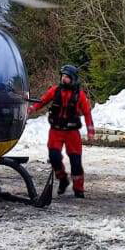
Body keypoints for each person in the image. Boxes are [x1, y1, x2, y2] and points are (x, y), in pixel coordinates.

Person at [28, 65, 94, 198]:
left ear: (73, 79)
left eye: (67, 77)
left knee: (76, 161)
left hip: (72, 133)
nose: (64, 79)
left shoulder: (79, 95)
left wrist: (90, 130)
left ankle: (79, 189)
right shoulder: (55, 90)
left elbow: (87, 113)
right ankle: (63, 179)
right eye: (63, 76)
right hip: (56, 131)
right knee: (54, 157)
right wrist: (32, 108)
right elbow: (42, 101)